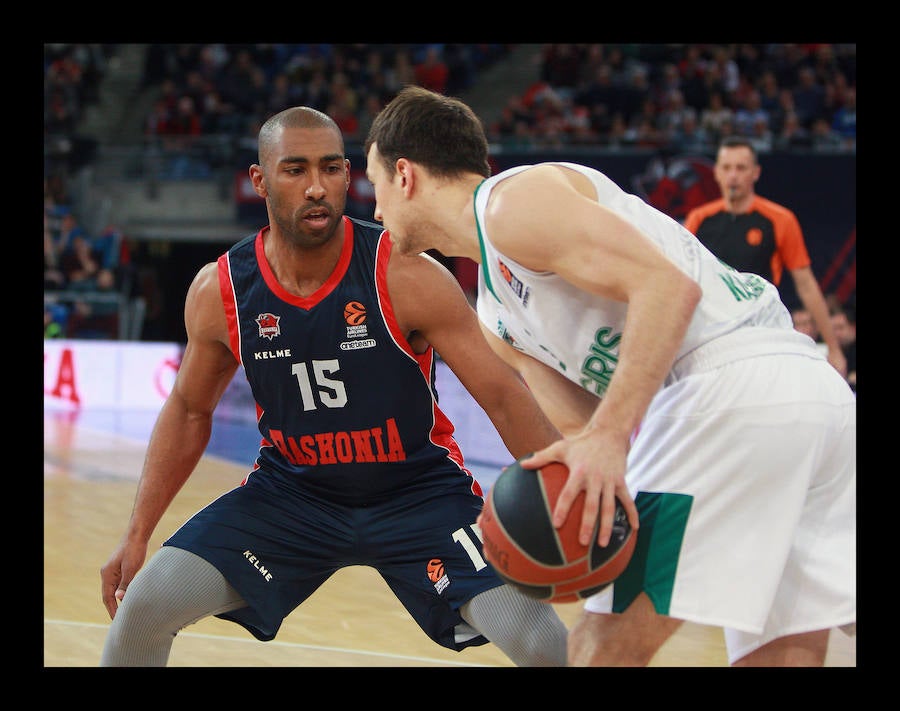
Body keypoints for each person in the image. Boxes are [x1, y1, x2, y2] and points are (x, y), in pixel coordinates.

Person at [363, 86, 855, 667]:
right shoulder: (497, 318)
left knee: (603, 647)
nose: (374, 211)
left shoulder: (511, 203)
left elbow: (668, 289)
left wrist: (610, 437)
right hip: (807, 401)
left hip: (724, 388)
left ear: (405, 175)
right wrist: (555, 516)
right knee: (783, 647)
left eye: (373, 186)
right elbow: (581, 433)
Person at [99, 106, 569, 667]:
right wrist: (136, 533)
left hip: (419, 494)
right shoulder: (219, 291)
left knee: (541, 641)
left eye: (330, 169)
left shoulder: (406, 272)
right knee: (147, 603)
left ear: (350, 175)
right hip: (291, 498)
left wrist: (563, 492)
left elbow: (503, 393)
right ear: (259, 180)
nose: (316, 187)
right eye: (295, 170)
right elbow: (189, 410)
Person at [683, 136, 846, 377]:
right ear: (716, 172)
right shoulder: (699, 219)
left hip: (760, 332)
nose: (733, 176)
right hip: (709, 335)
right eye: (727, 168)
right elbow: (681, 276)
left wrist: (833, 348)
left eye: (741, 168)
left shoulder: (779, 219)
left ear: (755, 173)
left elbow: (806, 285)